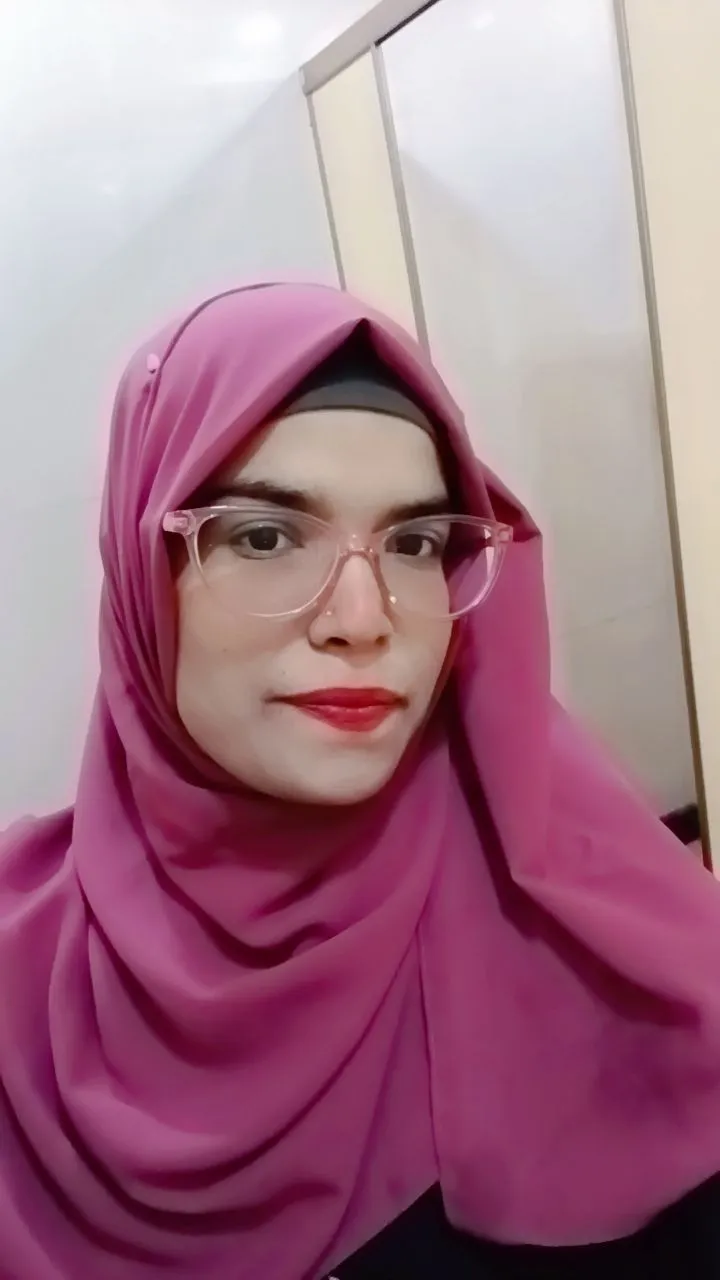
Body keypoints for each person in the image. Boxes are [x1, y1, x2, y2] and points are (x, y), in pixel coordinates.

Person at [2, 282, 720, 1280]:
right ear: (138, 571)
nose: (363, 615)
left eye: (416, 544)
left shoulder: (614, 950)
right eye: (263, 535)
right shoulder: (16, 978)